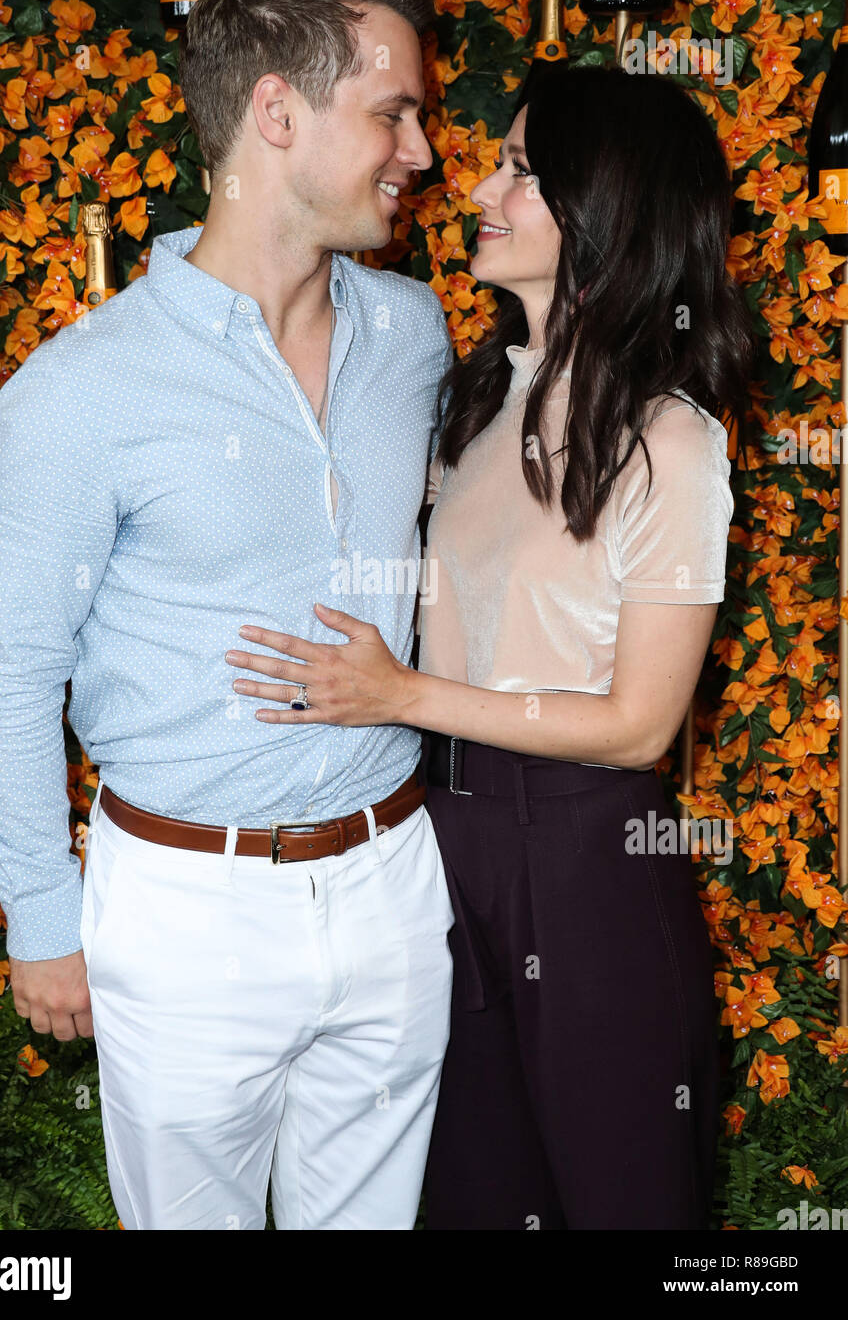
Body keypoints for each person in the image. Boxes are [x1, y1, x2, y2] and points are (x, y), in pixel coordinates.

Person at [0, 0, 457, 1231]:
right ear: (277, 109)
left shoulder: (416, 334)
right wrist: (41, 920)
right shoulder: (81, 392)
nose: (425, 153)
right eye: (394, 111)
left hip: (394, 880)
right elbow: (5, 670)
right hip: (182, 914)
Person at [222, 63, 755, 1230]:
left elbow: (640, 725)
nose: (478, 186)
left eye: (520, 168)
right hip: (431, 848)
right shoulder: (471, 401)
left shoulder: (672, 441)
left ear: (604, 204)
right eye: (498, 161)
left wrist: (399, 692)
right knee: (467, 1200)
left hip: (586, 857)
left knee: (624, 1205)